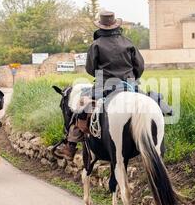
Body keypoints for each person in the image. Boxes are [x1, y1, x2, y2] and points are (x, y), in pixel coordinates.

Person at [53, 11, 145, 161]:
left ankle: (70, 146)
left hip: (104, 87)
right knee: (151, 102)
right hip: (130, 86)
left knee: (80, 108)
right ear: (116, 25)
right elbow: (140, 66)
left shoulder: (96, 45)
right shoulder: (128, 42)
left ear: (101, 27)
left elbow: (90, 69)